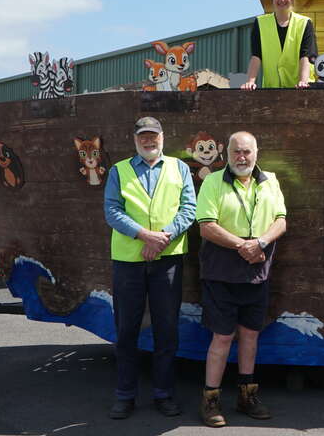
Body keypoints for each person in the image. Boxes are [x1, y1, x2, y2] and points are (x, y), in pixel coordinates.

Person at [104, 116, 197, 420]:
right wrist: (144, 235)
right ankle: (125, 395)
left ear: (162, 137)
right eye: (143, 136)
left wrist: (161, 240)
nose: (149, 141)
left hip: (167, 261)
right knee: (126, 330)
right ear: (134, 139)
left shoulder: (179, 168)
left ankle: (164, 394)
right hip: (128, 262)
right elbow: (112, 211)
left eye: (153, 136)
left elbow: (189, 210)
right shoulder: (119, 170)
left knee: (166, 330)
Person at [195, 131, 287, 427]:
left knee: (250, 335)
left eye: (247, 151)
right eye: (236, 152)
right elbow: (206, 227)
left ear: (256, 153)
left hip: (256, 274)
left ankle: (247, 396)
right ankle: (210, 400)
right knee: (222, 337)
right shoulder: (212, 181)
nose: (242, 157)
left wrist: (259, 244)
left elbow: (281, 220)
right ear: (228, 152)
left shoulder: (270, 181)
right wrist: (243, 246)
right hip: (221, 274)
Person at [241, 0, 316, 89]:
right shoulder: (260, 23)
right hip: (272, 89)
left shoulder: (304, 23)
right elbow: (256, 56)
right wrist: (250, 81)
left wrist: (302, 82)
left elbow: (305, 56)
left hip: (299, 89)